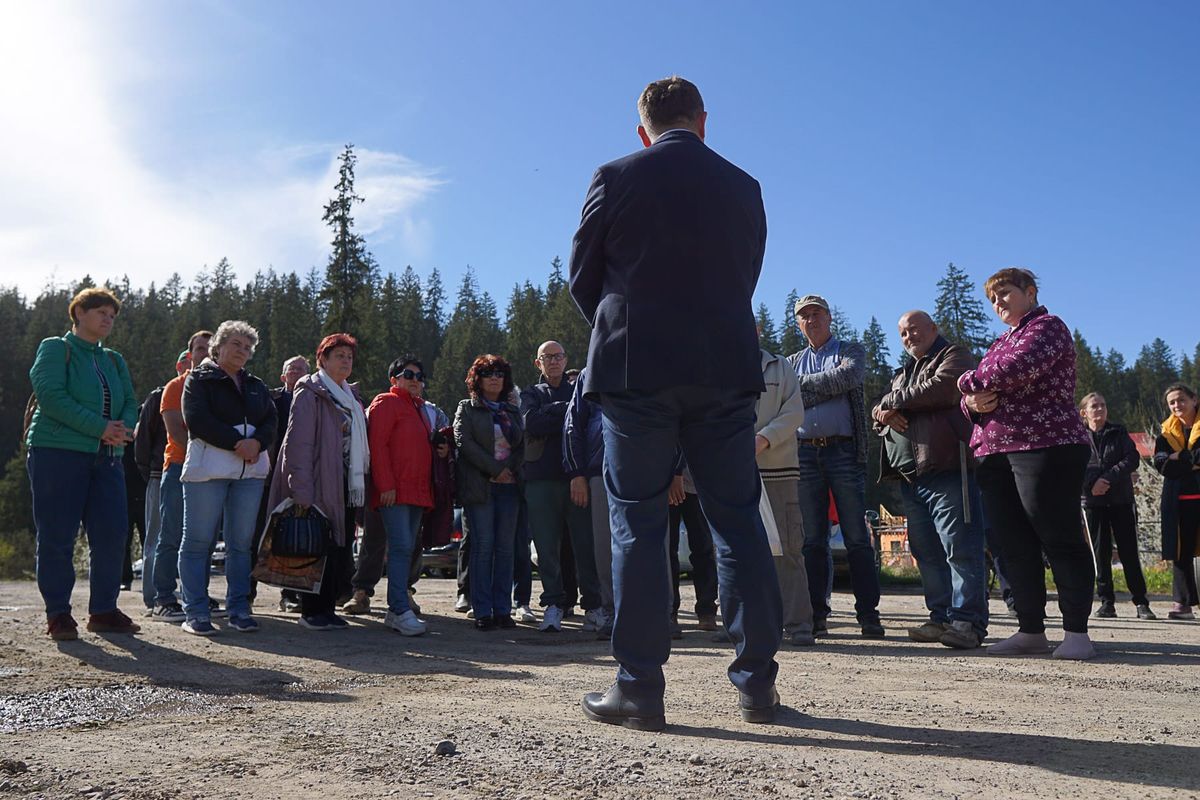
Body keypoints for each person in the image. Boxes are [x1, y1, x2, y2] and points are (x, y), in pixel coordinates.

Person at [569, 76, 781, 730]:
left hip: (638, 369)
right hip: (722, 368)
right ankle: (757, 687)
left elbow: (584, 276)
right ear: (703, 121)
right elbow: (748, 274)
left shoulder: (615, 173)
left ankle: (639, 689)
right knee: (738, 520)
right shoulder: (744, 186)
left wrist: (624, 325)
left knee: (637, 520)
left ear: (644, 128)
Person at [958, 268, 1095, 660]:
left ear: (1030, 292)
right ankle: (1030, 629)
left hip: (1046, 445)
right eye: (993, 298)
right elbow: (979, 392)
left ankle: (1077, 632)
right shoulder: (1001, 341)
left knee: (1058, 535)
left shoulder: (1049, 327)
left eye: (1005, 293)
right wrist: (970, 401)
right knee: (1012, 544)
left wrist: (965, 382)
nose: (999, 302)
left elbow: (1011, 371)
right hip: (994, 451)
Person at [26, 287, 141, 640]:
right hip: (56, 453)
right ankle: (58, 614)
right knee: (57, 535)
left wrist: (123, 430)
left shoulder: (115, 360)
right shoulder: (54, 348)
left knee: (112, 534)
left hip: (108, 458)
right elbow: (51, 397)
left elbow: (130, 401)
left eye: (112, 314)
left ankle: (103, 610)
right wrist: (100, 428)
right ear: (78, 313)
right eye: (100, 312)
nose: (108, 318)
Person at [873, 311, 988, 649]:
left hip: (949, 469)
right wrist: (882, 412)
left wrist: (891, 403)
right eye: (903, 334)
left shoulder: (955, 355)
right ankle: (940, 618)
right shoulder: (902, 374)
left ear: (934, 328)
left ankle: (968, 622)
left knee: (960, 548)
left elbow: (943, 389)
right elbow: (880, 412)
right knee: (927, 552)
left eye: (914, 330)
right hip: (910, 478)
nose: (909, 337)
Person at [788, 294, 885, 638]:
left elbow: (847, 379)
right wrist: (817, 387)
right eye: (804, 316)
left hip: (844, 453)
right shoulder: (790, 362)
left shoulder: (851, 351)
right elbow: (786, 398)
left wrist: (800, 390)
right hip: (803, 455)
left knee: (857, 537)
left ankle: (868, 615)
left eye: (816, 314)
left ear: (829, 318)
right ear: (798, 325)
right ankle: (816, 615)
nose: (811, 320)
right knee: (812, 540)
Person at [178, 321, 277, 636]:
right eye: (236, 343)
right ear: (217, 347)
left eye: (247, 347)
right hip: (207, 472)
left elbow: (271, 420)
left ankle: (239, 610)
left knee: (240, 545)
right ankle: (196, 613)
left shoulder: (256, 385)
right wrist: (238, 444)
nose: (242, 351)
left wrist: (258, 444)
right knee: (197, 543)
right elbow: (196, 419)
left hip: (249, 474)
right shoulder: (198, 380)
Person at [267, 333, 369, 631]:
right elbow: (297, 443)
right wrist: (301, 488)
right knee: (315, 544)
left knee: (339, 545)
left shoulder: (351, 396)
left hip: (346, 482)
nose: (346, 361)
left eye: (349, 356)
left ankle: (327, 608)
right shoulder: (309, 391)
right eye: (339, 355)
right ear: (322, 360)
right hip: (317, 480)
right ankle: (311, 611)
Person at [521, 340, 602, 632]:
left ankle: (593, 606)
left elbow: (583, 424)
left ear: (566, 359)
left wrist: (554, 412)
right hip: (540, 480)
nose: (554, 361)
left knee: (585, 545)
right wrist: (564, 410)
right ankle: (553, 604)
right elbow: (531, 423)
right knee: (546, 548)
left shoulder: (578, 390)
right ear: (538, 363)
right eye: (547, 357)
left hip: (575, 478)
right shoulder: (530, 393)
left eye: (559, 356)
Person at [454, 355, 525, 631]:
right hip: (480, 487)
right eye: (487, 373)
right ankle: (482, 610)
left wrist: (508, 470)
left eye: (499, 373)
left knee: (505, 550)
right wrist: (495, 469)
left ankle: (503, 610)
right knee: (483, 548)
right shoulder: (467, 408)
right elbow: (464, 443)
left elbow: (522, 446)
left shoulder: (513, 410)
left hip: (510, 487)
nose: (494, 377)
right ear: (477, 379)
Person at [367, 356, 435, 636]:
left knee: (406, 549)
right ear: (394, 379)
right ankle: (397, 609)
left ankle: (397, 609)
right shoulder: (386, 402)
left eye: (420, 376)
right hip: (394, 492)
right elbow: (378, 446)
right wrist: (385, 485)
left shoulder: (419, 409)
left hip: (416, 492)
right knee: (400, 548)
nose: (415, 380)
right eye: (408, 374)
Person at [754, 346, 814, 646]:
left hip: (779, 469)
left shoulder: (780, 367)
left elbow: (794, 411)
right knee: (731, 552)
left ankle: (798, 624)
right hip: (731, 473)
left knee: (787, 548)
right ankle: (740, 622)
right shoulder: (716, 364)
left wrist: (764, 439)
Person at [151, 331, 212, 623]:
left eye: (211, 348)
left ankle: (197, 594)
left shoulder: (221, 389)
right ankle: (163, 597)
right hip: (178, 467)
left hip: (212, 471)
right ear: (190, 355)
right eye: (200, 348)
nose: (205, 353)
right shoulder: (175, 387)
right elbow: (176, 431)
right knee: (171, 535)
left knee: (203, 539)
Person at [1080, 392, 1155, 620]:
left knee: (1129, 551)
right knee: (1100, 554)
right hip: (1093, 502)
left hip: (1121, 500)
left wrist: (1107, 479)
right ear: (1084, 412)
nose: (1100, 409)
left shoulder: (1119, 432)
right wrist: (1092, 484)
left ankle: (1141, 602)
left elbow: (1131, 458)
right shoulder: (1077, 437)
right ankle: (1106, 602)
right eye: (1095, 406)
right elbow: (1073, 464)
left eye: (1103, 405)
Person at [252, 354, 309, 613]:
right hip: (266, 477)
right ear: (282, 377)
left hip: (299, 480)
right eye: (292, 369)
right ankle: (246, 593)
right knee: (255, 537)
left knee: (294, 538)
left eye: (302, 369)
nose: (297, 372)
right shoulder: (269, 399)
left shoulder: (313, 401)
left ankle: (291, 595)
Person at [132, 351, 187, 612]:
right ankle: (154, 597)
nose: (195, 363)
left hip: (198, 476)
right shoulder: (159, 396)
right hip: (160, 473)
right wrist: (151, 472)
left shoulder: (209, 394)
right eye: (189, 358)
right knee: (156, 538)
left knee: (189, 538)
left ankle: (186, 594)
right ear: (178, 365)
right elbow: (141, 440)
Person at [563, 366, 615, 637]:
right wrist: (576, 473)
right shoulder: (590, 372)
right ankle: (611, 612)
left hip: (648, 471)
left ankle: (658, 613)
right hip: (599, 471)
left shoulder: (654, 357)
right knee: (604, 548)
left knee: (654, 544)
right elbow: (574, 424)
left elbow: (672, 419)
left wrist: (674, 471)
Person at [1152, 384, 1200, 620]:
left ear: (1194, 399)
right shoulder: (1165, 434)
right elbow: (1161, 465)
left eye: (1181, 400)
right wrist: (1187, 459)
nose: (1176, 405)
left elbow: (1185, 460)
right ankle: (1183, 602)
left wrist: (1179, 457)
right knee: (1181, 551)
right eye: (1172, 402)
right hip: (1177, 500)